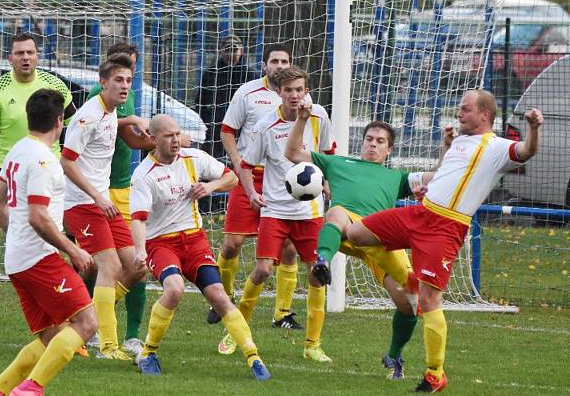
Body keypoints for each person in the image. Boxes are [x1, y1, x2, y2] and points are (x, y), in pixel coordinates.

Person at [345, 89, 544, 392]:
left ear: (484, 115)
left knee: (430, 299)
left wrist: (534, 127)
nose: (459, 114)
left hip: (445, 228)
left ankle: (435, 373)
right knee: (355, 233)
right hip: (420, 214)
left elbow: (527, 151)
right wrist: (442, 159)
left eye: (465, 110)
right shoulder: (459, 141)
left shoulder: (497, 147)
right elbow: (447, 173)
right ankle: (408, 278)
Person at [285, 117, 436, 379]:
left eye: (380, 142)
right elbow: (293, 152)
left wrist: (448, 147)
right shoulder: (338, 163)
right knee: (336, 214)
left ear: (389, 150)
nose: (373, 145)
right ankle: (322, 261)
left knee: (410, 301)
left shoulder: (398, 177)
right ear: (362, 142)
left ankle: (394, 355)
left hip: (381, 236)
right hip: (345, 227)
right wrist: (301, 119)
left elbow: (439, 177)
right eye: (369, 140)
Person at [129, 115, 271, 381]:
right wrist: (139, 251)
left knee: (219, 296)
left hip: (194, 239)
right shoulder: (143, 175)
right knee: (174, 289)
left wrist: (210, 186)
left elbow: (231, 178)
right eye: (169, 135)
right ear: (154, 139)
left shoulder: (193, 157)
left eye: (177, 134)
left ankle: (254, 357)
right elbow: (138, 219)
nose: (175, 140)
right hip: (160, 243)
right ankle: (149, 352)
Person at [0, 89, 97, 396]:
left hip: (17, 259)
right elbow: (38, 217)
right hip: (39, 259)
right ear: (59, 121)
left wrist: (16, 233)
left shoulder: (17, 150)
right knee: (87, 323)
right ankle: (31, 388)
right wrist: (73, 249)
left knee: (51, 336)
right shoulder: (45, 160)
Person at [219, 66, 336, 361]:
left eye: (300, 89)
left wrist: (327, 182)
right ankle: (236, 331)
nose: (295, 95)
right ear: (278, 93)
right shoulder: (265, 126)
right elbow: (245, 166)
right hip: (275, 210)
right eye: (289, 90)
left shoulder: (319, 117)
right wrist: (251, 193)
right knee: (262, 270)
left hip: (309, 211)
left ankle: (313, 345)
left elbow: (329, 156)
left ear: (306, 90)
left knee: (316, 275)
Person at [84, 42, 192, 356]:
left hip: (122, 189)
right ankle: (88, 323)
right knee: (98, 265)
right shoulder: (96, 97)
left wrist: (164, 137)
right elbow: (129, 138)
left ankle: (127, 333)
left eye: (131, 71)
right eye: (122, 71)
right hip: (98, 192)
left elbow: (133, 138)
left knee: (135, 262)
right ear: (109, 73)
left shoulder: (127, 95)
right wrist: (160, 136)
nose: (127, 78)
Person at [211, 44, 308, 330]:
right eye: (275, 61)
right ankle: (223, 298)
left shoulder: (302, 100)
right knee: (232, 244)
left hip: (285, 179)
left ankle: (283, 313)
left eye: (285, 60)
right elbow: (227, 131)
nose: (280, 65)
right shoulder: (247, 93)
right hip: (249, 175)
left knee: (289, 247)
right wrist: (240, 162)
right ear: (265, 65)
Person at [0, 32, 77, 295]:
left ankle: (72, 271)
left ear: (37, 56)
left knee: (62, 222)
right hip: (8, 164)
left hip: (46, 164)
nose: (26, 58)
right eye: (20, 53)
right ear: (10, 58)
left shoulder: (54, 85)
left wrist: (71, 158)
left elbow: (73, 124)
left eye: (30, 52)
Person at [60, 54, 147, 360]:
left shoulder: (111, 114)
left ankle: (89, 319)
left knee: (137, 266)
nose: (124, 86)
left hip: (102, 202)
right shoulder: (89, 115)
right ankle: (107, 345)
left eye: (128, 80)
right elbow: (66, 161)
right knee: (109, 267)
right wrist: (96, 196)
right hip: (83, 204)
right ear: (103, 83)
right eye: (118, 80)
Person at [197, 34, 259, 161]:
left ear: (241, 51)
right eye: (227, 49)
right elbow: (200, 101)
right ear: (221, 51)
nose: (231, 53)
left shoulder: (251, 74)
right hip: (216, 128)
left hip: (242, 128)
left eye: (234, 49)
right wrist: (208, 121)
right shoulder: (211, 73)